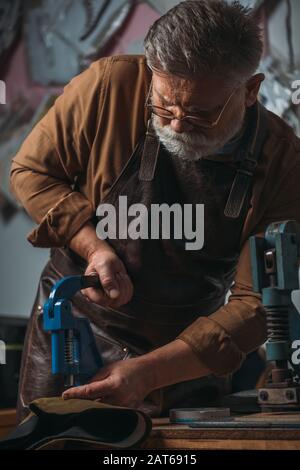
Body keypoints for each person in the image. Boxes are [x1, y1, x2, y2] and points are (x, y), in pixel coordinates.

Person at [11, 0, 300, 421]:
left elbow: (254, 303)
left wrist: (149, 373)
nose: (178, 124)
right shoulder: (109, 87)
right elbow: (31, 172)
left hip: (185, 351)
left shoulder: (283, 160)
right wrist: (93, 247)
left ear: (250, 90)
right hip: (72, 334)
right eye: (163, 105)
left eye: (202, 113)